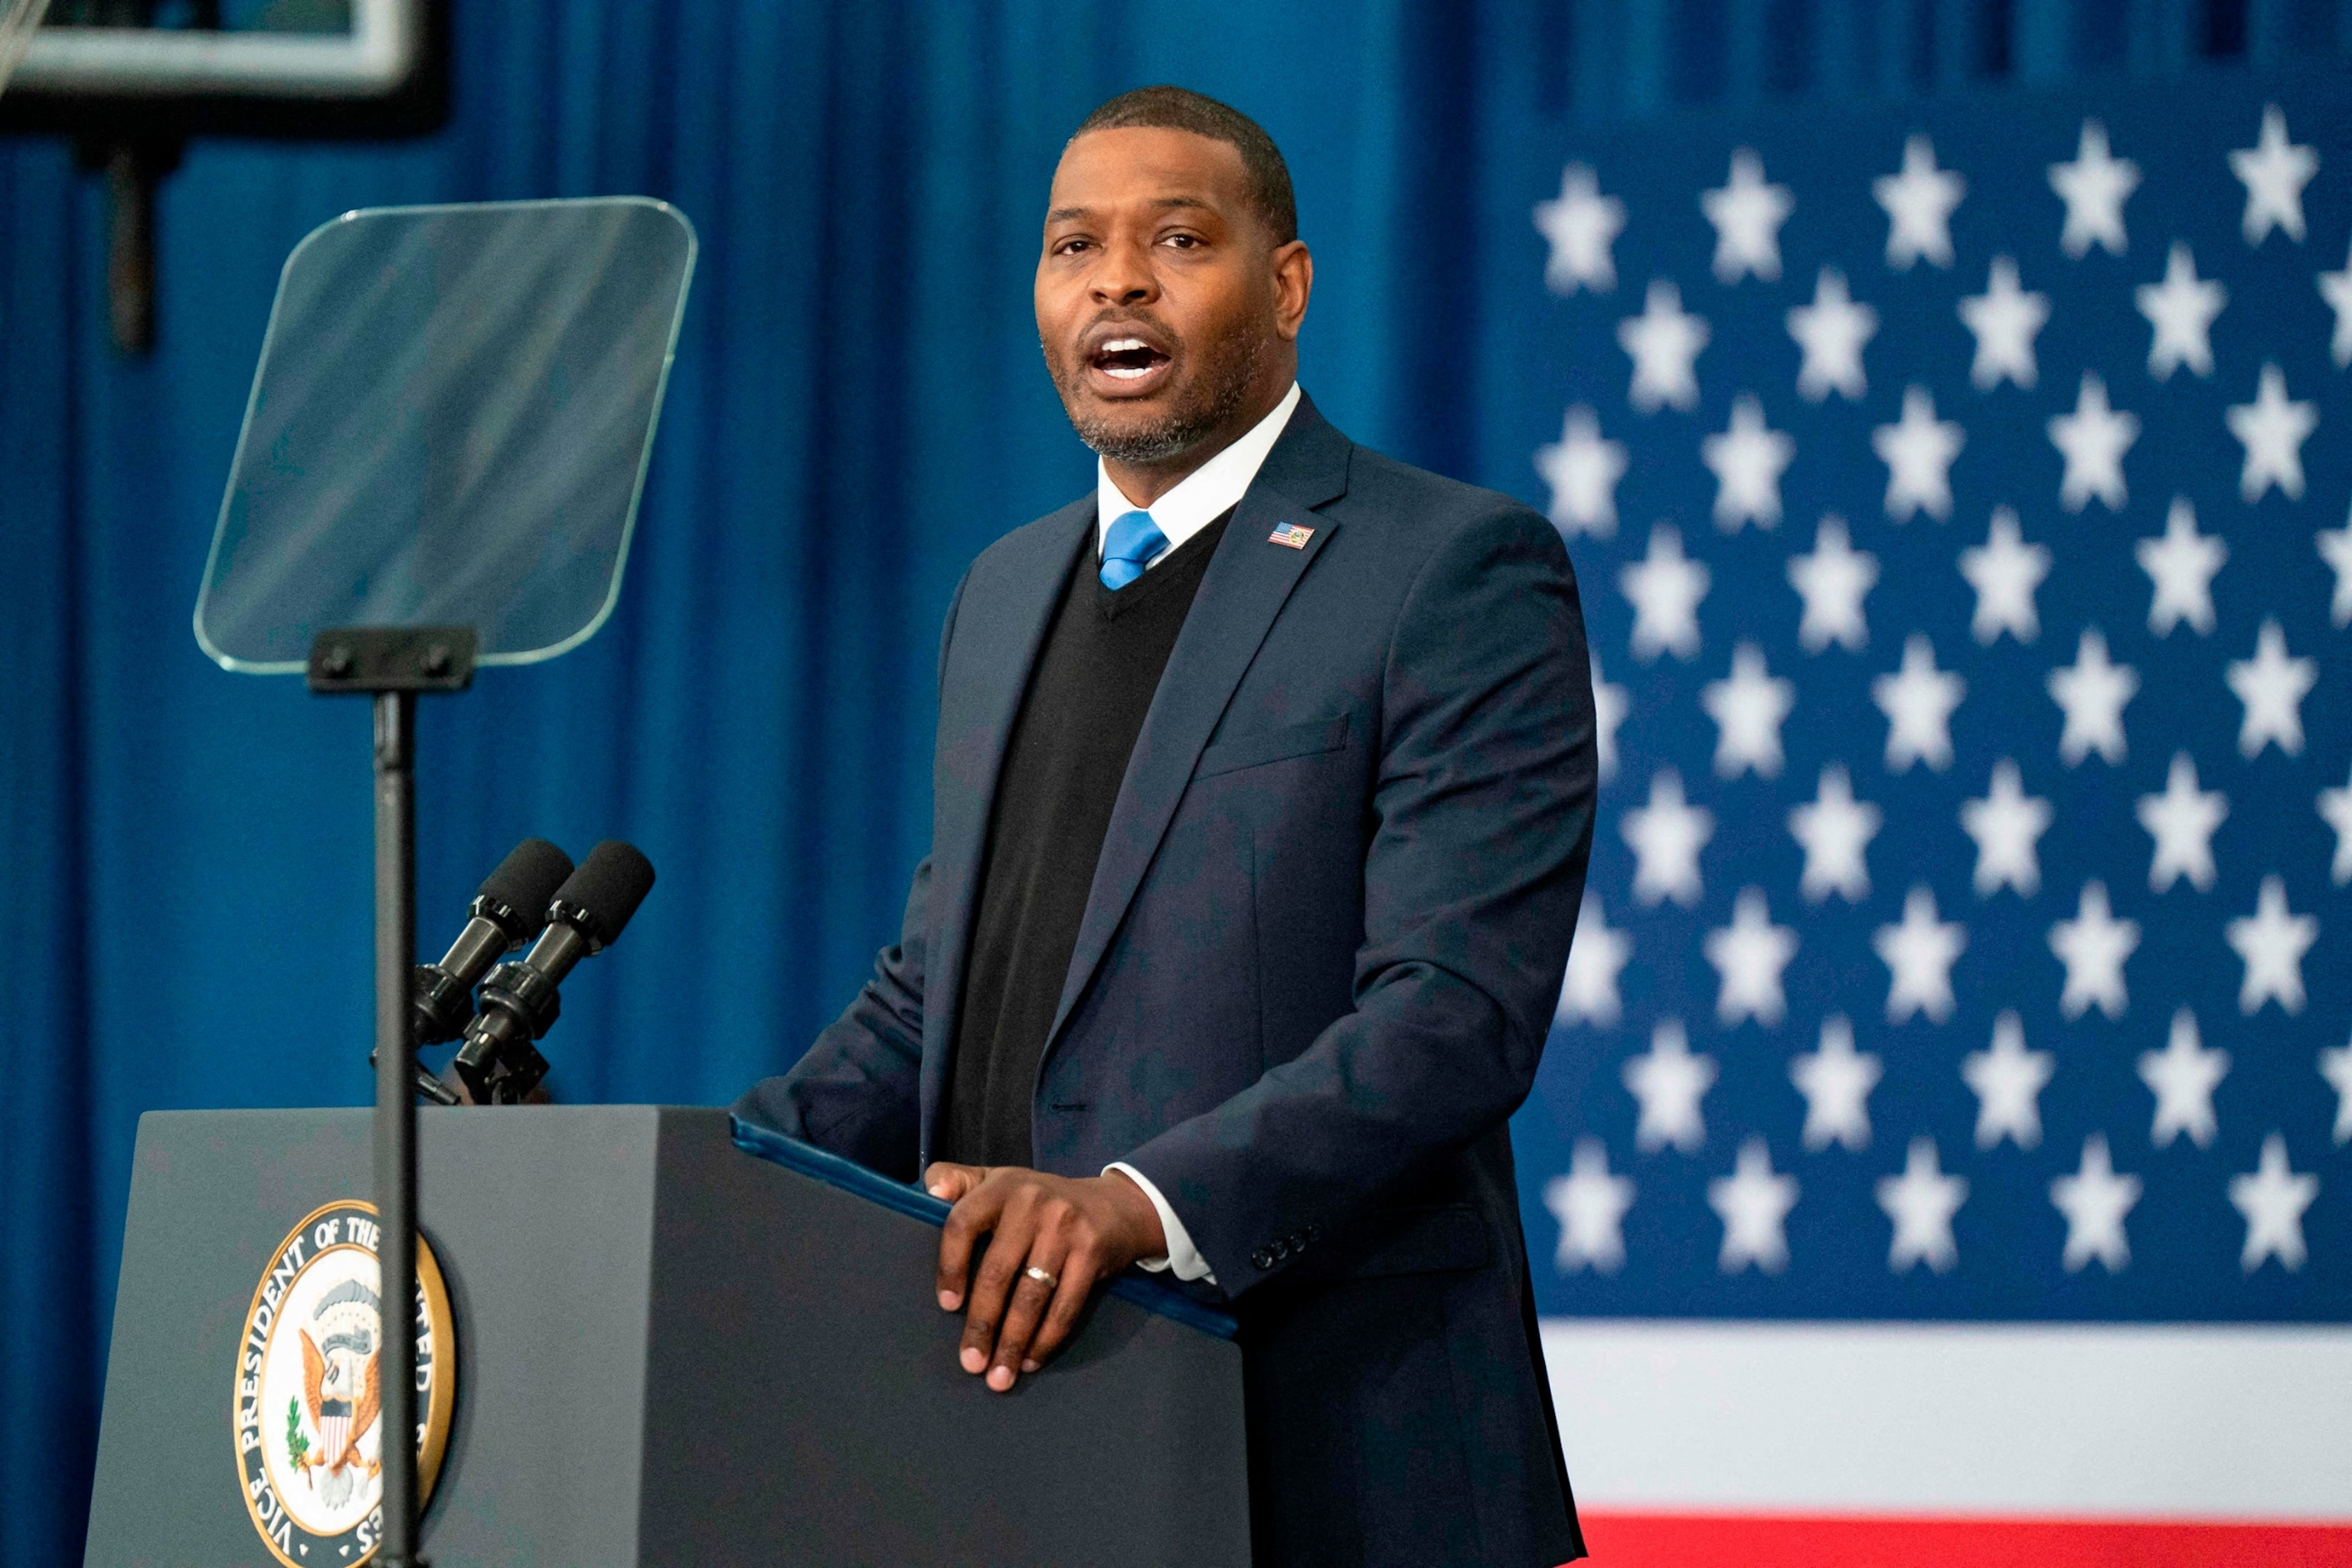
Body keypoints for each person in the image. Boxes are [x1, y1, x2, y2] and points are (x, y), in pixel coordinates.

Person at [736, 84, 1596, 1566]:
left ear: (1287, 285)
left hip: (1332, 1450)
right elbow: (940, 982)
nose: (1117, 278)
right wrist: (717, 1171)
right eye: (1076, 246)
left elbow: (1454, 1015)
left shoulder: (1449, 569)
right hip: (1016, 1431)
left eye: (1176, 238)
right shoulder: (1004, 591)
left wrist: (1135, 1206)